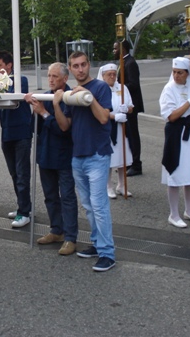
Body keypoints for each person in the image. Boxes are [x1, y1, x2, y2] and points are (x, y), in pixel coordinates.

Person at [53, 51, 116, 272]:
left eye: (83, 65)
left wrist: (88, 96)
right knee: (89, 206)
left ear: (89, 65)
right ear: (70, 69)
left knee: (99, 206)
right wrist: (56, 105)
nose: (80, 69)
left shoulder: (100, 87)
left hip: (97, 154)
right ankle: (98, 244)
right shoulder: (71, 93)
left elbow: (103, 117)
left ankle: (107, 253)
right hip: (78, 156)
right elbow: (65, 126)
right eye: (75, 66)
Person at [25, 63, 78, 255]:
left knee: (67, 197)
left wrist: (44, 113)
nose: (51, 79)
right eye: (49, 76)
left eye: (55, 76)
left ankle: (70, 237)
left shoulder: (70, 97)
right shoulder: (45, 96)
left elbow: (63, 129)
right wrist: (34, 110)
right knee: (50, 196)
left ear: (65, 78)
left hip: (64, 154)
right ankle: (57, 230)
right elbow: (35, 129)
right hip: (45, 153)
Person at [159, 57, 190, 229]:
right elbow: (171, 116)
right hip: (176, 133)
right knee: (175, 174)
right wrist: (189, 103)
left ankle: (189, 210)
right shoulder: (169, 89)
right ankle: (173, 214)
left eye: (180, 72)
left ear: (188, 73)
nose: (176, 75)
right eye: (174, 72)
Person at [0, 50, 33, 228]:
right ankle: (23, 207)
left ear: (9, 65)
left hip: (21, 133)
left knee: (22, 174)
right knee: (15, 174)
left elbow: (10, 96)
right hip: (7, 133)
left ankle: (24, 212)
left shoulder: (20, 80)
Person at [97, 63, 133, 199]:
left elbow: (131, 107)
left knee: (123, 157)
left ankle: (122, 185)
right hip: (107, 127)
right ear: (103, 76)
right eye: (109, 74)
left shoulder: (123, 88)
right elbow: (99, 111)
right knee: (109, 158)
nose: (112, 77)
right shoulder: (100, 89)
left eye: (114, 74)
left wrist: (126, 109)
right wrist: (114, 116)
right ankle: (108, 186)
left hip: (122, 127)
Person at [113, 40, 144, 176]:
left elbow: (134, 84)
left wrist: (118, 86)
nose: (114, 51)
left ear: (123, 49)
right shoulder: (123, 62)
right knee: (126, 135)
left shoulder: (130, 63)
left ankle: (136, 164)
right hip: (124, 105)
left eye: (115, 49)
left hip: (131, 104)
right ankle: (129, 161)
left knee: (132, 135)